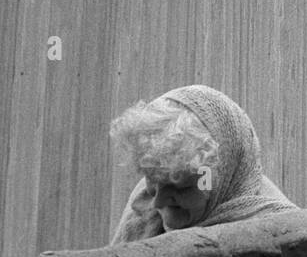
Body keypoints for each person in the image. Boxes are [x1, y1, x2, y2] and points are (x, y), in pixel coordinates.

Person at [108, 84, 297, 245]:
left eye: (179, 188)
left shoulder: (280, 234)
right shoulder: (148, 195)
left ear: (218, 180)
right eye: (152, 181)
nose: (157, 202)